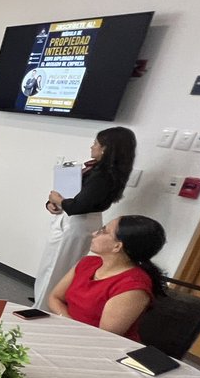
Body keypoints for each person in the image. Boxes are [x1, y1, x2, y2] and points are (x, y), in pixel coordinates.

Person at [34, 126, 136, 306]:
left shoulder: (104, 176)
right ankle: (41, 300)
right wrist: (53, 203)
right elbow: (72, 196)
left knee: (57, 267)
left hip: (79, 222)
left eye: (96, 143)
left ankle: (43, 306)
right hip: (71, 219)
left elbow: (80, 205)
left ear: (105, 148)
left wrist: (59, 199)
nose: (92, 147)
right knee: (50, 263)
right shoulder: (94, 169)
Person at [47, 215, 165, 340]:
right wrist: (68, 323)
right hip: (68, 332)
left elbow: (104, 337)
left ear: (117, 246)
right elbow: (55, 298)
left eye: (103, 231)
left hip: (97, 345)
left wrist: (69, 328)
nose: (94, 233)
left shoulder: (132, 287)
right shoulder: (87, 263)